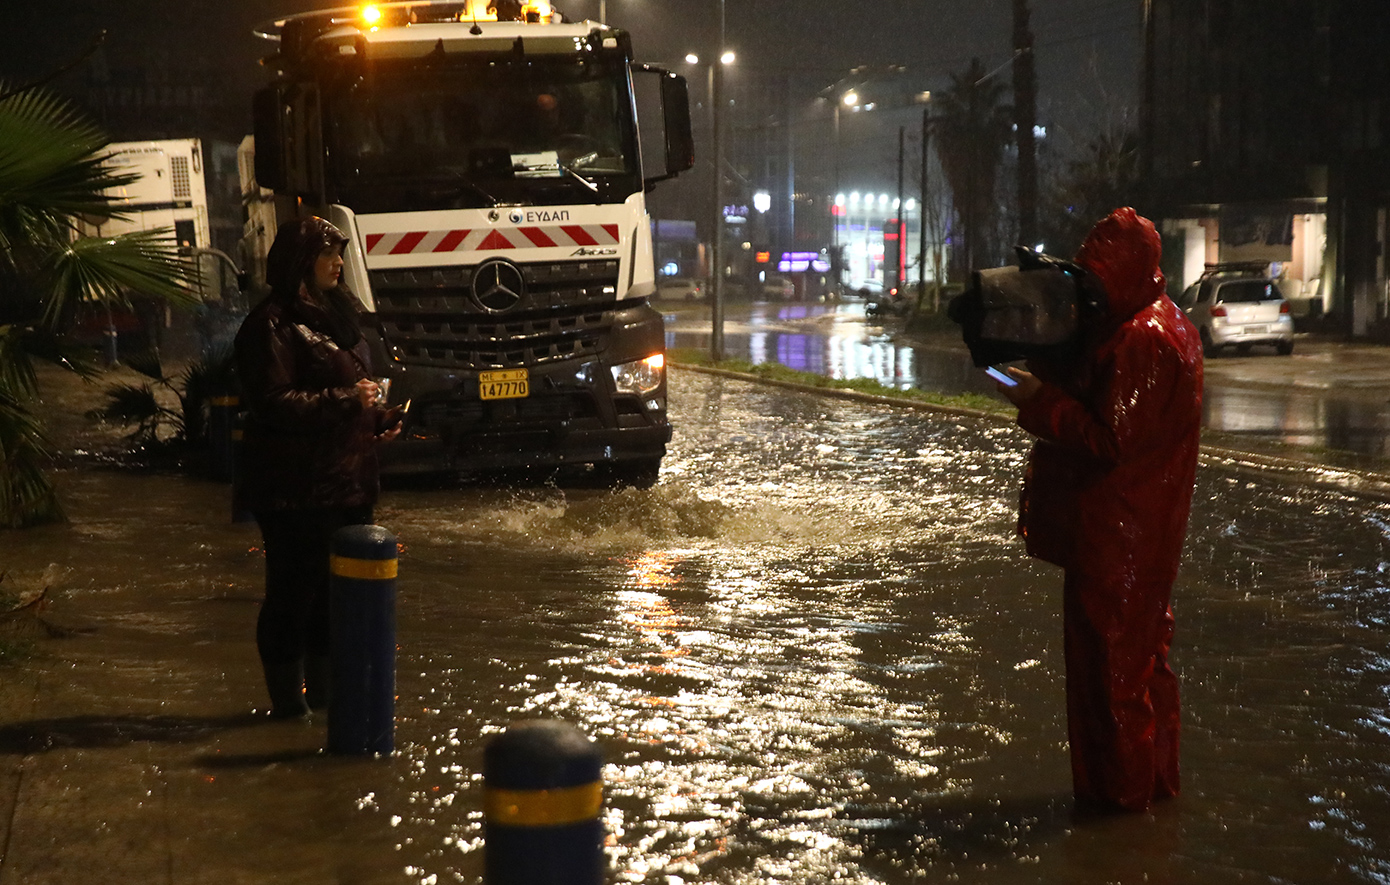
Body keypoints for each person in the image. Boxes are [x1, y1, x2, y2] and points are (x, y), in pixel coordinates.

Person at [994, 207, 1204, 813]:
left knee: (1107, 678)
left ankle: (1116, 808)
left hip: (1117, 534)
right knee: (1143, 667)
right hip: (1145, 529)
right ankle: (1152, 790)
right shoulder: (1166, 324)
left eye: (1097, 281)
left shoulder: (1143, 337)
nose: (1089, 294)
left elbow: (1110, 438)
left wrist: (1037, 400)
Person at [234, 217, 402, 718]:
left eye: (339, 253)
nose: (337, 263)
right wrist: (347, 399)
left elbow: (349, 392)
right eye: (327, 254)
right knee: (294, 596)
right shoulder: (271, 324)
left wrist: (376, 421)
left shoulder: (335, 315)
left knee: (334, 599)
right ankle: (289, 707)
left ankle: (329, 703)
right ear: (301, 261)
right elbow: (274, 402)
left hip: (347, 483)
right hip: (296, 490)